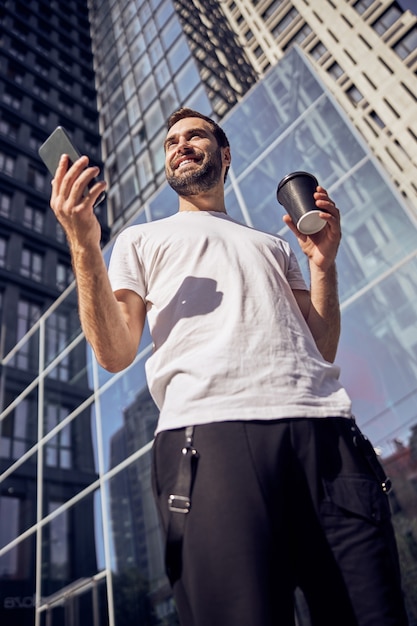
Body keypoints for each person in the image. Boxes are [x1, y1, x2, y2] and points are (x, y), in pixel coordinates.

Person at [50, 108, 408, 626]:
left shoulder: (276, 246)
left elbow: (321, 346)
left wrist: (323, 266)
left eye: (195, 135)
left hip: (327, 438)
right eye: (172, 140)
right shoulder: (141, 240)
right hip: (209, 437)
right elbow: (114, 353)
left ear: (225, 154)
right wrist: (84, 242)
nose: (181, 144)